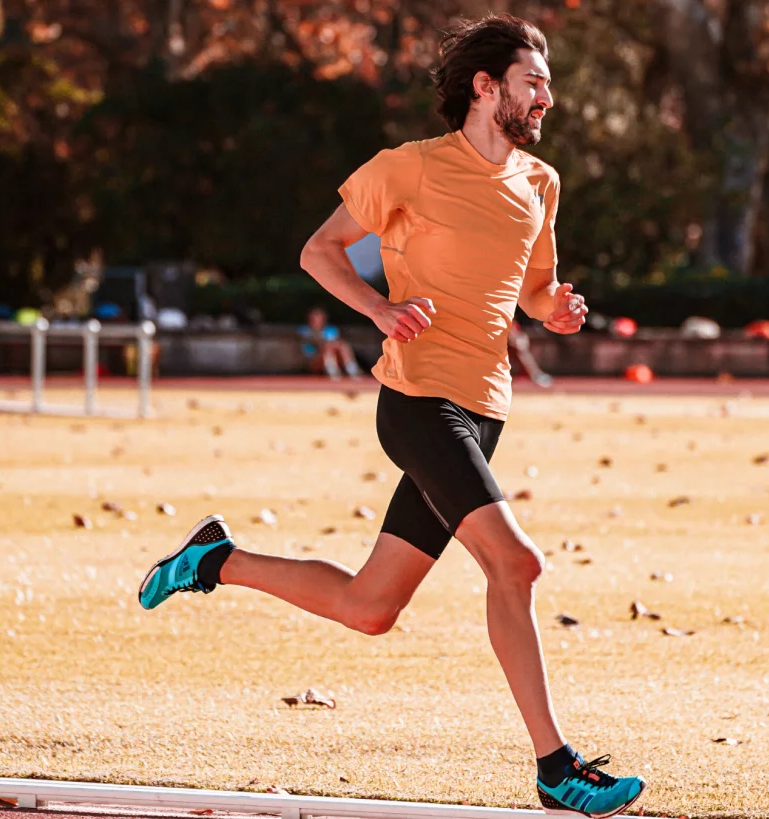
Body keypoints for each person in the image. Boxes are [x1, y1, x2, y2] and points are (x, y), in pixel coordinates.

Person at [137, 14, 644, 819]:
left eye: (547, 83)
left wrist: (558, 309)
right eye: (533, 81)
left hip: (485, 410)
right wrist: (378, 308)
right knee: (518, 566)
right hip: (418, 403)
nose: (547, 95)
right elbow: (319, 250)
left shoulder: (540, 183)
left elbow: (535, 288)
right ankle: (557, 767)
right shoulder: (408, 169)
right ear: (487, 87)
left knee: (370, 608)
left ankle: (214, 560)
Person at [299, 306, 363, 380]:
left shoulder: (330, 329)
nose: (317, 320)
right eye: (314, 318)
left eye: (319, 318)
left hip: (332, 356)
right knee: (328, 347)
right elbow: (316, 345)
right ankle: (333, 373)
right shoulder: (304, 330)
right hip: (313, 360)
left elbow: (335, 343)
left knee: (343, 346)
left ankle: (352, 371)